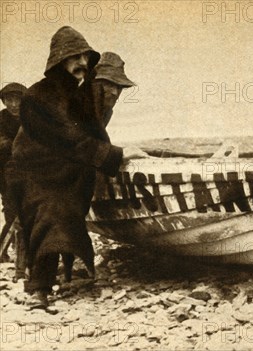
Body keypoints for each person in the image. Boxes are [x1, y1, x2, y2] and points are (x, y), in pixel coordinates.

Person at [6, 26, 147, 309]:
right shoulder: (37, 96)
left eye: (85, 57)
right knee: (49, 214)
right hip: (33, 171)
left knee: (65, 215)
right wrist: (115, 157)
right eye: (75, 57)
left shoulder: (78, 97)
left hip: (61, 169)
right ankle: (38, 289)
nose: (82, 63)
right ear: (59, 60)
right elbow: (68, 139)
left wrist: (125, 155)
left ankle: (67, 274)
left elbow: (92, 135)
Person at [0, 83, 27, 278]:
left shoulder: (31, 117)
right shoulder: (0, 118)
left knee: (23, 216)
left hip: (29, 171)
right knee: (12, 213)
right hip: (5, 172)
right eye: (9, 99)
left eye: (17, 99)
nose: (13, 104)